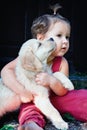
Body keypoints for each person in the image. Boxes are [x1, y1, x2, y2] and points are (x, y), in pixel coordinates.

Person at [1, 3, 87, 130]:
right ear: (40, 38)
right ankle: (31, 124)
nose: (65, 41)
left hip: (56, 100)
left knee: (79, 97)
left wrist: (52, 81)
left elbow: (63, 92)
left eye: (67, 37)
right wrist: (22, 91)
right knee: (29, 108)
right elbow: (6, 71)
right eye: (59, 36)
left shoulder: (62, 62)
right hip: (33, 98)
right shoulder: (27, 55)